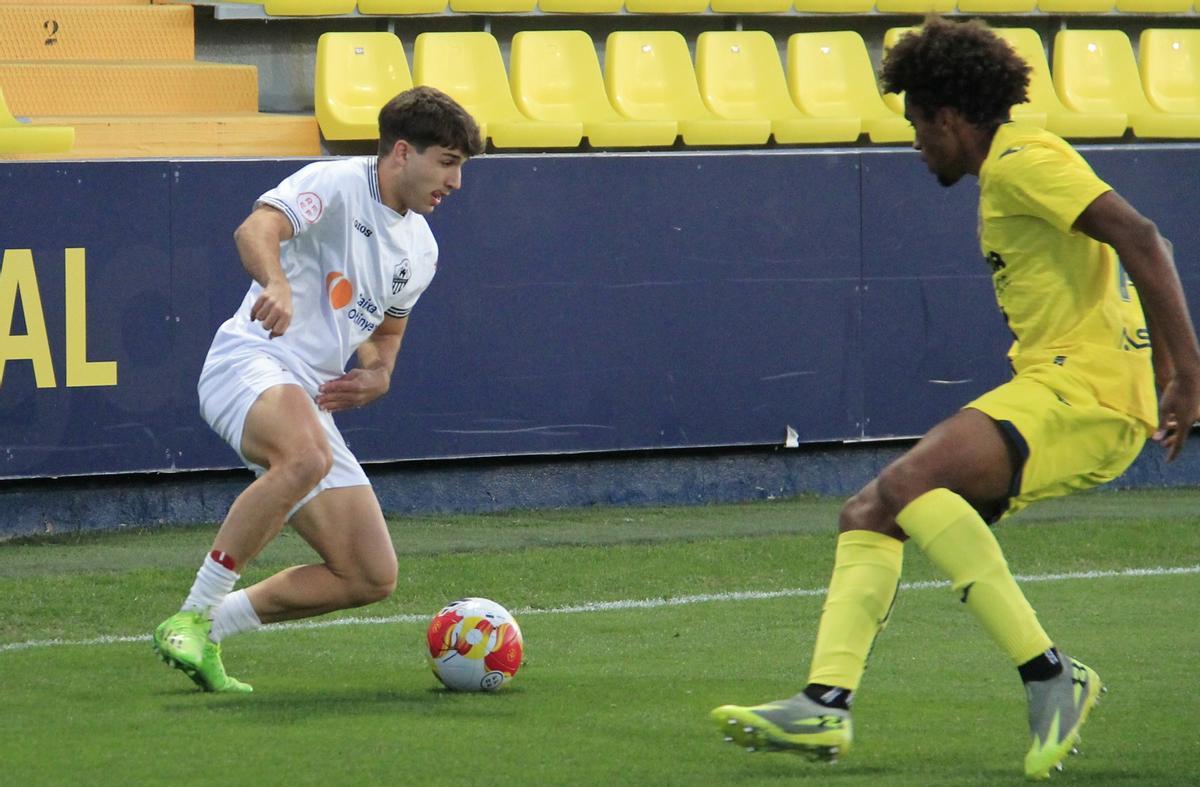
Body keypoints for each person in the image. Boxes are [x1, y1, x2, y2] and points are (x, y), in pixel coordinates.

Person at [710, 17, 1200, 781]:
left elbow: (1141, 236)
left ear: (947, 118)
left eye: (915, 123)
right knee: (870, 511)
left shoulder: (1022, 161)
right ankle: (824, 702)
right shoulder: (1015, 163)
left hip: (1087, 394)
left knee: (911, 483)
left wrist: (1185, 376)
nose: (914, 143)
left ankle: (1051, 675)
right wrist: (1162, 367)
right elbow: (1149, 247)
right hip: (1064, 386)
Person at [152, 86, 484, 693]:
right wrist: (274, 282)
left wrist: (379, 375)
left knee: (369, 574)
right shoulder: (335, 183)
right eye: (447, 163)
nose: (455, 182)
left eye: (459, 167)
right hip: (249, 361)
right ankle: (192, 612)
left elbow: (386, 335)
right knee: (307, 457)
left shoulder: (422, 250)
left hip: (308, 398)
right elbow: (256, 229)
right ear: (402, 152)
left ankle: (209, 628)